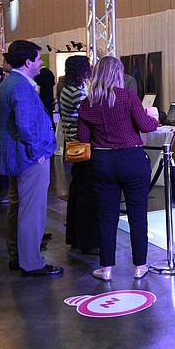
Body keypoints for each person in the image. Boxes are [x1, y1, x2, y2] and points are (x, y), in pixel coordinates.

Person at [78, 56, 159, 281]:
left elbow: (82, 137)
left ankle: (106, 269)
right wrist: (154, 118)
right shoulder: (128, 96)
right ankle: (140, 267)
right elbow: (145, 126)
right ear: (117, 74)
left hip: (103, 163)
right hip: (131, 160)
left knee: (106, 217)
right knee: (137, 215)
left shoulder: (87, 103)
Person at [0, 40, 62, 277]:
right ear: (27, 62)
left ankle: (18, 256)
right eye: (37, 59)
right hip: (28, 158)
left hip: (17, 157)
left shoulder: (9, 83)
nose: (41, 63)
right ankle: (32, 263)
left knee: (18, 208)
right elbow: (26, 126)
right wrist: (39, 154)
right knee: (31, 212)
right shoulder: (21, 87)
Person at [59, 55, 98, 254]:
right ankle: (88, 241)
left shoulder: (67, 89)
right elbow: (92, 115)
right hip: (84, 147)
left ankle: (77, 238)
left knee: (77, 192)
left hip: (74, 146)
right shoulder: (77, 93)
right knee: (86, 195)